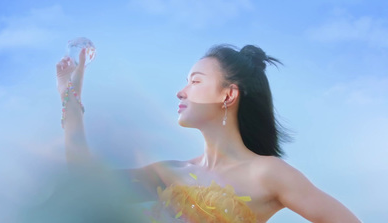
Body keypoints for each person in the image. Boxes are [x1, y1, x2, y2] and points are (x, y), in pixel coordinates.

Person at [56, 44, 361, 222]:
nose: (180, 92)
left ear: (228, 95)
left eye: (195, 81)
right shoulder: (170, 173)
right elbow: (82, 179)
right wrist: (70, 94)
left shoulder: (268, 173)